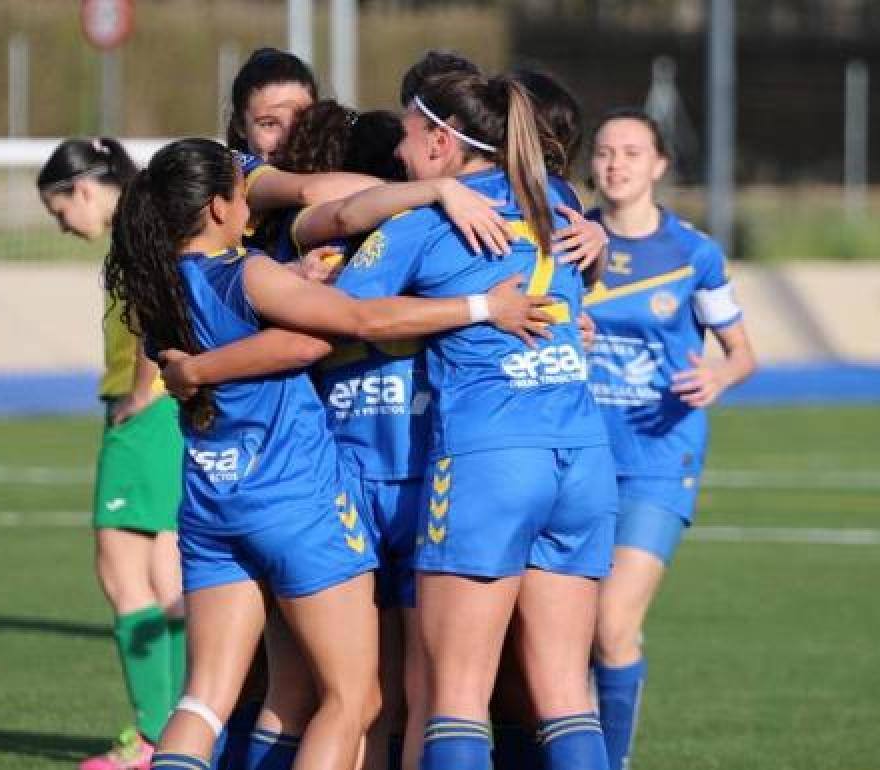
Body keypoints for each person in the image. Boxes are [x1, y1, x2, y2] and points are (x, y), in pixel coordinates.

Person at [102, 137, 554, 770]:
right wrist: (484, 307)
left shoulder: (159, 289)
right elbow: (345, 329)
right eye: (242, 193)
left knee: (203, 700)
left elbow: (244, 328)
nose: (250, 209)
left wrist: (288, 286)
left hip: (210, 500)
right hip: (293, 500)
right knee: (352, 699)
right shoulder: (247, 271)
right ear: (214, 208)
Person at [332, 72, 619, 770]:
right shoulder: (558, 202)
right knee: (565, 695)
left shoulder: (424, 226)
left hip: (490, 461)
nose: (399, 151)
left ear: (440, 139)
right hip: (581, 458)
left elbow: (342, 319)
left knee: (456, 697)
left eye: (405, 133)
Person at [583, 110, 756, 770]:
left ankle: (612, 761)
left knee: (611, 624)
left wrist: (720, 370)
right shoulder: (570, 243)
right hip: (576, 458)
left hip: (659, 459)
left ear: (659, 165)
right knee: (562, 636)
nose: (615, 164)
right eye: (602, 152)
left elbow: (743, 353)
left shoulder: (692, 255)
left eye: (630, 152)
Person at [37, 137, 184, 770]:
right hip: (174, 414)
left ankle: (154, 739)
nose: (61, 223)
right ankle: (188, 735)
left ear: (86, 189)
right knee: (167, 579)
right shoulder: (153, 219)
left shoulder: (135, 232)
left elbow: (158, 310)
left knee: (121, 573)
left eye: (57, 208)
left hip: (148, 418)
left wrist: (139, 393)